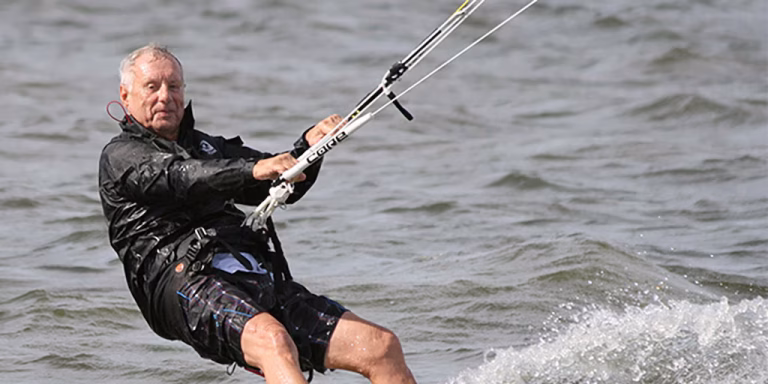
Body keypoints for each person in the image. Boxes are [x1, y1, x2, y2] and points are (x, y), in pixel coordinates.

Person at [99, 43, 417, 384]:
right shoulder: (121, 156)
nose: (166, 96)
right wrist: (253, 169)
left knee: (381, 347)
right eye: (152, 86)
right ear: (126, 95)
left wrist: (309, 148)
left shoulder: (208, 147)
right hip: (181, 283)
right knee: (273, 341)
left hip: (248, 274)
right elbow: (182, 177)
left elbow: (280, 184)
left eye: (174, 86)